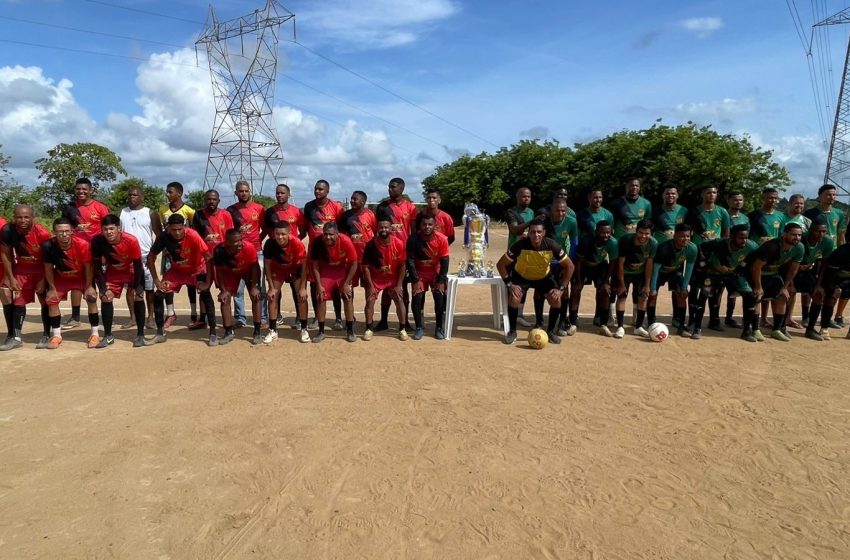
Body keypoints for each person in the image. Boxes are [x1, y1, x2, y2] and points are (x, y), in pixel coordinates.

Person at [496, 217, 574, 345]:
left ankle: (550, 332)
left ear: (543, 233)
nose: (536, 235)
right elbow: (501, 264)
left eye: (539, 232)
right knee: (514, 297)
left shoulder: (552, 245)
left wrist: (561, 289)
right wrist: (510, 285)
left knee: (556, 299)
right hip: (522, 276)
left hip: (543, 277)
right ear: (529, 232)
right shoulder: (520, 245)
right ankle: (512, 331)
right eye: (532, 232)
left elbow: (570, 266)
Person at [147, 214, 217, 346]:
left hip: (196, 270)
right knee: (158, 295)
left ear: (184, 226)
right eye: (174, 230)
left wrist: (207, 282)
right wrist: (156, 280)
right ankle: (160, 333)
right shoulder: (163, 236)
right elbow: (151, 257)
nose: (177, 233)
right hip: (177, 271)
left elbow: (208, 257)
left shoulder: (193, 235)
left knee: (206, 294)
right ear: (168, 228)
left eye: (180, 229)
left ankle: (213, 333)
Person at [91, 214, 151, 348]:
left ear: (119, 228)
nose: (109, 232)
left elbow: (138, 266)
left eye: (112, 228)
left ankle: (140, 335)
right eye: (105, 229)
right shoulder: (97, 241)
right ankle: (108, 336)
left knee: (139, 297)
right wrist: (102, 288)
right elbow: (96, 267)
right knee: (105, 297)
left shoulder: (131, 240)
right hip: (114, 272)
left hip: (132, 270)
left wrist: (138, 287)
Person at [689, 224, 758, 338]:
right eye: (741, 237)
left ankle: (746, 331)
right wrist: (706, 266)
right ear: (732, 236)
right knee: (704, 294)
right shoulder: (719, 243)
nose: (744, 240)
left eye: (746, 237)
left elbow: (755, 258)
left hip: (734, 274)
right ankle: (697, 328)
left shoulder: (752, 246)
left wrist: (741, 267)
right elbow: (700, 248)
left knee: (749, 295)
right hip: (714, 272)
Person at [0, 205, 52, 350]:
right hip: (22, 270)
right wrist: (10, 277)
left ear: (32, 217)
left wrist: (43, 279)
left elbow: (49, 260)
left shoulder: (42, 233)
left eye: (26, 217)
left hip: (41, 270)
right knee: (18, 301)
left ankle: (47, 334)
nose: (22, 220)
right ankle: (15, 338)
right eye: (19, 217)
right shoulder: (7, 230)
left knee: (45, 301)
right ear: (14, 217)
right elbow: (5, 254)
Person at [60, 177, 110, 328]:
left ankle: (107, 314)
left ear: (91, 190)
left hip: (96, 252)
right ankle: (75, 317)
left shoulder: (100, 208)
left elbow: (107, 229)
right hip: (76, 253)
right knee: (77, 283)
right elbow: (63, 228)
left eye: (84, 189)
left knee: (101, 283)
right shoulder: (69, 208)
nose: (81, 192)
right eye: (78, 189)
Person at [42, 218, 99, 349]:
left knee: (91, 299)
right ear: (54, 232)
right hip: (62, 277)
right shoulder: (48, 245)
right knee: (52, 300)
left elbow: (89, 267)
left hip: (81, 277)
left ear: (72, 231)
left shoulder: (83, 244)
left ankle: (95, 334)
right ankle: (57, 335)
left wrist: (89, 286)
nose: (64, 234)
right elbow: (48, 268)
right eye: (60, 231)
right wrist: (51, 288)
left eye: (67, 231)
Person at [743, 222, 804, 342]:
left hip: (773, 275)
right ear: (784, 234)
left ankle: (776, 330)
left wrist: (785, 287)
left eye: (799, 235)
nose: (797, 237)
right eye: (793, 234)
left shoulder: (799, 247)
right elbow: (756, 267)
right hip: (756, 274)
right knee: (757, 297)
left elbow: (794, 269)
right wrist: (758, 286)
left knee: (782, 296)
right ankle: (755, 329)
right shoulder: (771, 247)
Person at [375, 177, 418, 332]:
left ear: (402, 188)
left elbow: (413, 232)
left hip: (402, 253)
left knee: (402, 288)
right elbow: (378, 230)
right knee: (387, 288)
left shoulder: (410, 208)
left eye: (393, 187)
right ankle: (383, 320)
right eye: (389, 187)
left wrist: (411, 253)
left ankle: (404, 321)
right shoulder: (382, 207)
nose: (390, 189)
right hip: (385, 252)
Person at [687, 185, 730, 330]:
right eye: (708, 192)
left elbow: (726, 235)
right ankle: (692, 319)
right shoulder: (694, 212)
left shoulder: (722, 212)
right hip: (698, 253)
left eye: (714, 192)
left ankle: (714, 320)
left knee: (715, 289)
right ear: (702, 194)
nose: (711, 195)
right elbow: (688, 233)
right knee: (695, 288)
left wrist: (723, 253)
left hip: (715, 255)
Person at [804, 184, 847, 327]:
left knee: (831, 289)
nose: (832, 197)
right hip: (816, 256)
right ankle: (806, 317)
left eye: (834, 195)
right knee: (813, 287)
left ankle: (826, 320)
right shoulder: (810, 214)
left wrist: (843, 253)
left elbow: (841, 235)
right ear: (820, 196)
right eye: (828, 194)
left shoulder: (840, 213)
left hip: (833, 258)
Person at [264, 183, 306, 328]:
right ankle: (278, 315)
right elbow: (267, 231)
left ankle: (300, 318)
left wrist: (294, 244)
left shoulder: (297, 212)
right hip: (277, 256)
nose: (279, 195)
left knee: (297, 288)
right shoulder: (269, 212)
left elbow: (303, 231)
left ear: (288, 195)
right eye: (277, 193)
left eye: (282, 193)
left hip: (293, 255)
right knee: (277, 288)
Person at [303, 179, 344, 329]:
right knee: (315, 285)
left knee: (335, 285)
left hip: (333, 253)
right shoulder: (309, 207)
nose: (317, 191)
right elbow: (305, 227)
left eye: (321, 189)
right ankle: (316, 317)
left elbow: (341, 229)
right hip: (315, 252)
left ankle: (338, 318)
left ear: (327, 191)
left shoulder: (337, 207)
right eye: (315, 189)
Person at [227, 180, 267, 328]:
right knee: (238, 288)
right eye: (240, 191)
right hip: (237, 254)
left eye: (246, 191)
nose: (243, 193)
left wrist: (257, 241)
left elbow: (266, 229)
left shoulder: (259, 209)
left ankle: (262, 317)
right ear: (236, 192)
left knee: (259, 286)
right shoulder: (230, 210)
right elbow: (229, 232)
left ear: (250, 191)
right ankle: (240, 318)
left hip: (256, 252)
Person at [193, 189, 235, 332]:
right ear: (205, 200)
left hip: (221, 258)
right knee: (203, 289)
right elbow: (195, 237)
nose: (211, 201)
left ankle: (227, 321)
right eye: (208, 199)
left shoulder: (226, 215)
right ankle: (202, 319)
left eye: (214, 199)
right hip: (204, 259)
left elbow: (230, 236)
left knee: (225, 289)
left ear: (218, 200)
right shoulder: (198, 215)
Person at [309, 222, 358, 343]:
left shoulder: (345, 241)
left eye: (331, 234)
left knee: (348, 297)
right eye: (325, 234)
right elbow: (314, 265)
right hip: (326, 271)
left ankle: (350, 330)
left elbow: (354, 264)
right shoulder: (317, 242)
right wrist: (319, 284)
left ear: (337, 234)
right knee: (320, 297)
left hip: (342, 271)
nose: (327, 237)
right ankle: (321, 331)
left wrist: (347, 284)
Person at [158, 181, 198, 327]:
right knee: (168, 282)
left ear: (179, 193)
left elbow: (193, 230)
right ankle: (170, 313)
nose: (167, 194)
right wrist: (164, 246)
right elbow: (159, 230)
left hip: (186, 252)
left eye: (170, 192)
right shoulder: (162, 209)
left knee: (190, 282)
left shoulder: (189, 211)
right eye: (167, 192)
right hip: (169, 252)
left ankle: (194, 313)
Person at [262, 220, 310, 343]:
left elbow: (304, 266)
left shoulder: (297, 243)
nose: (280, 237)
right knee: (272, 297)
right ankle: (273, 330)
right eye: (277, 234)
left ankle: (304, 329)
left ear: (289, 233)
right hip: (278, 269)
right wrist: (271, 287)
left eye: (283, 234)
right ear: (273, 233)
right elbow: (267, 266)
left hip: (295, 268)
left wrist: (303, 288)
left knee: (302, 297)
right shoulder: (269, 244)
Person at [213, 229, 262, 345]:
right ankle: (228, 331)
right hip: (230, 273)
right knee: (225, 299)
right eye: (236, 241)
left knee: (256, 296)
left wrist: (254, 286)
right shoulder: (219, 250)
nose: (240, 243)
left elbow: (255, 268)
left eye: (241, 240)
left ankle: (257, 331)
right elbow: (219, 272)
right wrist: (223, 290)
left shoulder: (248, 247)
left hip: (248, 271)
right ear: (227, 242)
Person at [361, 217, 408, 341]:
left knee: (399, 299)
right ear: (377, 228)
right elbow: (365, 267)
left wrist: (399, 285)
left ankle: (402, 329)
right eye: (381, 227)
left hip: (392, 277)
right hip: (376, 278)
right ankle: (369, 328)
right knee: (370, 300)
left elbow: (403, 265)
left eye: (386, 227)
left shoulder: (398, 243)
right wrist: (370, 285)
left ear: (391, 229)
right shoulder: (370, 245)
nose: (383, 229)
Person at [119, 187, 158, 330]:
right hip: (128, 258)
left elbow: (159, 235)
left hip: (145, 257)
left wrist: (153, 255)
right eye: (129, 195)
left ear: (142, 196)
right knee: (130, 289)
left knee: (149, 289)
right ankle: (132, 318)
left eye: (135, 195)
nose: (132, 197)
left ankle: (150, 318)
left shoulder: (150, 213)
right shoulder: (122, 213)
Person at [406, 214, 450, 340]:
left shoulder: (441, 239)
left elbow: (445, 261)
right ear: (420, 225)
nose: (427, 227)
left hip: (435, 271)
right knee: (417, 297)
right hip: (419, 272)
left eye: (430, 224)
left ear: (435, 225)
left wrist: (441, 279)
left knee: (439, 296)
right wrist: (415, 279)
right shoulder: (413, 239)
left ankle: (439, 327)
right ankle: (419, 327)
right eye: (424, 224)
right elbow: (410, 261)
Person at [570, 220, 618, 336]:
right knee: (576, 290)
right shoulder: (586, 240)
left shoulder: (613, 242)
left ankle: (603, 323)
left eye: (608, 232)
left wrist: (606, 282)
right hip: (584, 266)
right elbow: (578, 261)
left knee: (605, 291)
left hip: (600, 266)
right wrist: (577, 280)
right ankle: (572, 322)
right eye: (603, 233)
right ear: (596, 232)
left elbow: (612, 262)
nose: (606, 235)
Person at [649, 224, 697, 337]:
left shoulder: (692, 248)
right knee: (652, 295)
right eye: (682, 236)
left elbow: (689, 268)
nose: (685, 239)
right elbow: (655, 269)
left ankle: (681, 326)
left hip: (675, 271)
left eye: (688, 236)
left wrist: (685, 287)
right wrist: (653, 288)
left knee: (681, 295)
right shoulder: (663, 248)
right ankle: (651, 323)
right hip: (660, 272)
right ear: (675, 236)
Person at [788, 218, 833, 335]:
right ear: (811, 229)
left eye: (824, 231)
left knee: (818, 295)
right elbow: (788, 261)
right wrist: (790, 284)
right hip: (790, 270)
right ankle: (783, 324)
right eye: (818, 231)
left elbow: (824, 264)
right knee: (789, 292)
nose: (821, 234)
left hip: (809, 271)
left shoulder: (827, 241)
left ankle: (810, 329)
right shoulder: (800, 238)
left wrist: (819, 285)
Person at [615, 218, 657, 338]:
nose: (643, 236)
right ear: (636, 231)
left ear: (651, 233)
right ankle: (620, 327)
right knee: (622, 296)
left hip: (640, 274)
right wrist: (621, 283)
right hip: (626, 273)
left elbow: (649, 264)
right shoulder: (625, 240)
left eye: (647, 233)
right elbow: (620, 263)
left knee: (643, 298)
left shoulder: (653, 243)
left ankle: (638, 327)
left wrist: (647, 285)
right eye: (641, 233)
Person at [544, 199, 579, 335]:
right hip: (545, 261)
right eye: (557, 210)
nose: (560, 213)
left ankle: (562, 322)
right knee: (541, 292)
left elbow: (575, 242)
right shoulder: (545, 220)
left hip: (561, 261)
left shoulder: (571, 221)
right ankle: (540, 321)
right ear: (552, 210)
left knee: (564, 291)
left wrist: (568, 261)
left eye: (563, 210)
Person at [506, 186, 537, 327]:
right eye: (524, 196)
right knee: (512, 285)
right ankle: (509, 314)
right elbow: (514, 229)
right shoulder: (511, 212)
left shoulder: (531, 212)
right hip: (514, 253)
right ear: (517, 197)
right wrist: (531, 222)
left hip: (528, 254)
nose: (526, 199)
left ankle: (519, 315)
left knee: (524, 285)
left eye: (529, 196)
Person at [807, 238, 850, 340]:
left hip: (847, 278)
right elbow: (829, 272)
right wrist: (831, 287)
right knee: (827, 297)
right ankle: (815, 328)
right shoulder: (842, 252)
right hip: (832, 275)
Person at [723, 190, 750, 326]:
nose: (738, 202)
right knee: (717, 289)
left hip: (738, 257)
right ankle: (714, 318)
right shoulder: (723, 214)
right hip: (722, 255)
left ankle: (729, 317)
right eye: (735, 200)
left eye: (740, 200)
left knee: (734, 290)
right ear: (729, 201)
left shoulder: (745, 218)